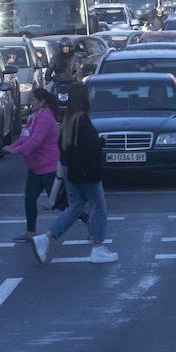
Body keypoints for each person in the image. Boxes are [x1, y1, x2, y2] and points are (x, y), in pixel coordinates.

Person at [32, 83, 115, 265]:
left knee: (75, 207)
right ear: (84, 99)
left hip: (70, 171)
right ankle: (98, 247)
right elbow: (90, 146)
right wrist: (102, 141)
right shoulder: (83, 120)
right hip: (86, 172)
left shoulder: (67, 119)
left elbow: (64, 147)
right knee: (99, 208)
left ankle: (46, 237)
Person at [6, 87, 59, 240]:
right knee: (29, 199)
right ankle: (30, 231)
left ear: (42, 102)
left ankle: (86, 219)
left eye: (33, 100)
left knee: (59, 203)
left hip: (48, 167)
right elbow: (25, 136)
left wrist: (17, 151)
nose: (31, 103)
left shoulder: (45, 118)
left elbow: (36, 141)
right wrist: (13, 147)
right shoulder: (35, 116)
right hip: (36, 167)